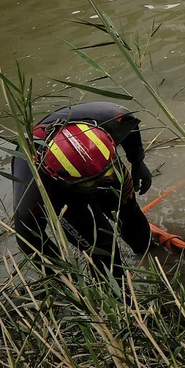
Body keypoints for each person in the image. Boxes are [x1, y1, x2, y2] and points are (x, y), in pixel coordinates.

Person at [10, 102, 153, 274]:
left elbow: (130, 124)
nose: (101, 184)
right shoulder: (32, 188)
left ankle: (151, 257)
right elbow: (28, 240)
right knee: (102, 247)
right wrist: (63, 276)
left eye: (103, 176)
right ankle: (118, 293)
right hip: (66, 194)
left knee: (131, 216)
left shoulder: (113, 118)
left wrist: (137, 162)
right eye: (91, 182)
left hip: (100, 164)